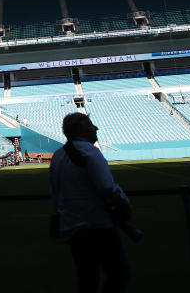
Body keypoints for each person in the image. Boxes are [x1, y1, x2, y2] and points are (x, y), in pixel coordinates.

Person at [49, 112, 131, 293]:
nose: (95, 128)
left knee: (87, 278)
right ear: (80, 130)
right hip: (97, 224)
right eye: (90, 125)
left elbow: (55, 193)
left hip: (71, 226)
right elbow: (107, 186)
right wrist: (124, 202)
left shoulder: (58, 155)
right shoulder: (90, 152)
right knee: (119, 273)